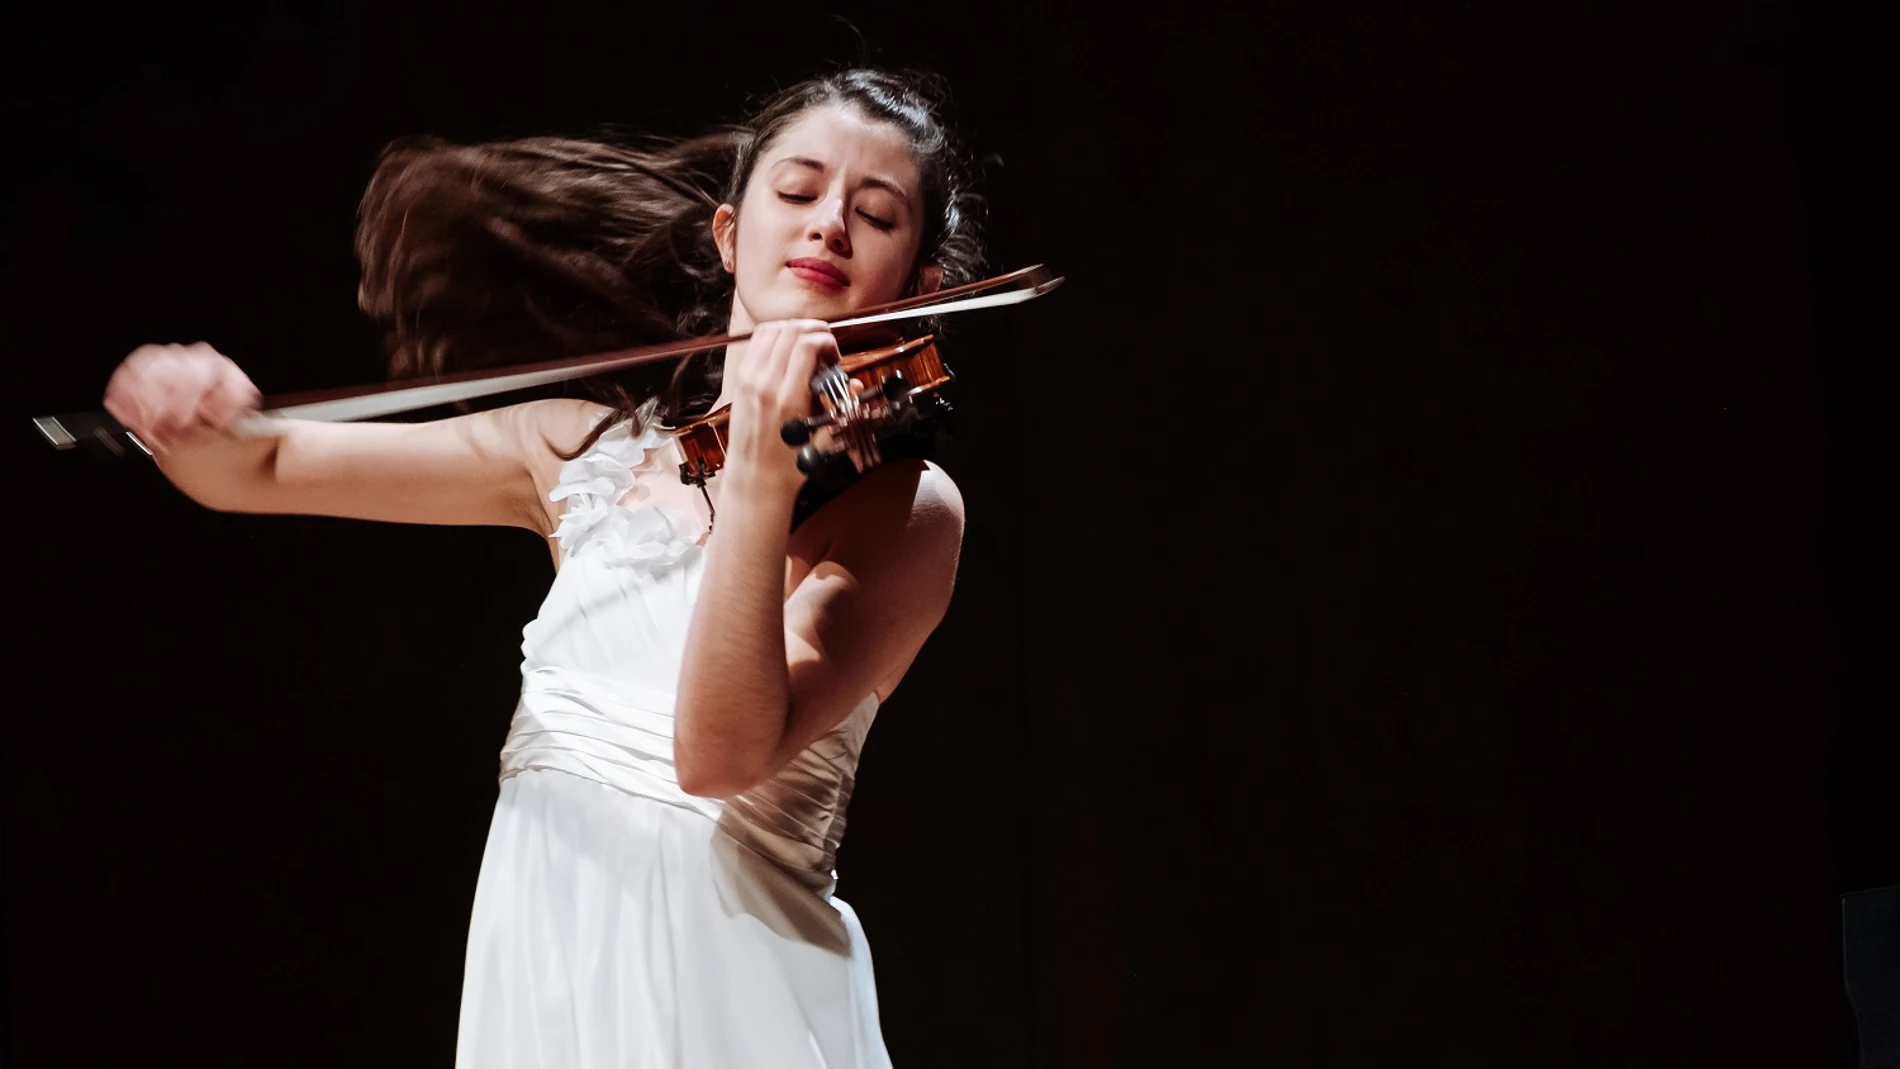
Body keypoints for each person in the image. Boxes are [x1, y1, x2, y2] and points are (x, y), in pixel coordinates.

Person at [101, 66, 988, 1068]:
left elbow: (718, 755)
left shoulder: (901, 511)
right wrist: (186, 409)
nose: (828, 223)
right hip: (552, 979)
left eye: (873, 213)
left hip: (742, 1002)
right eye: (797, 191)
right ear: (731, 234)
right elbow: (257, 464)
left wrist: (757, 477)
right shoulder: (576, 447)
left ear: (916, 289)